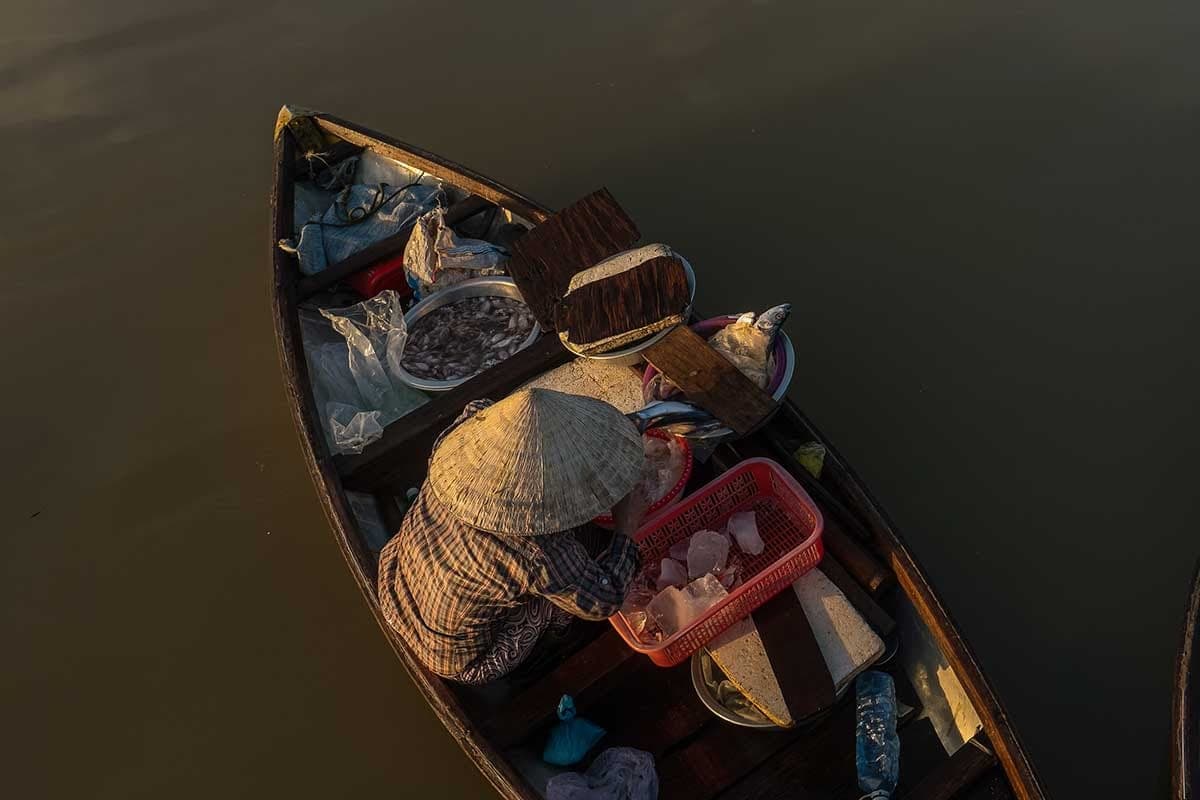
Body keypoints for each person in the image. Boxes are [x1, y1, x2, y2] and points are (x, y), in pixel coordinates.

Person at [377, 388, 650, 685]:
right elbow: (604, 601)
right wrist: (627, 525)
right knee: (562, 597)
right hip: (455, 657)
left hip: (393, 584)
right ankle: (554, 646)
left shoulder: (458, 439)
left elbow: (480, 404)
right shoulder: (538, 553)